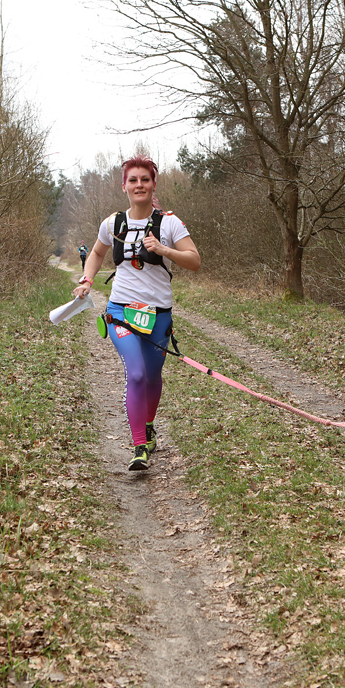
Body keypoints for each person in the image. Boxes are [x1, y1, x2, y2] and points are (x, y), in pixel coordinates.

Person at [72, 155, 201, 471]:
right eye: (133, 180)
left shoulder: (169, 222)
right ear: (124, 186)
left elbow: (194, 260)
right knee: (138, 373)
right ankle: (139, 446)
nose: (139, 185)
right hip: (121, 311)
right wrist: (87, 280)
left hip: (159, 313)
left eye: (145, 179)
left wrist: (164, 250)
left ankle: (149, 426)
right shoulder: (112, 223)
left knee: (153, 376)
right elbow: (97, 253)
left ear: (153, 184)